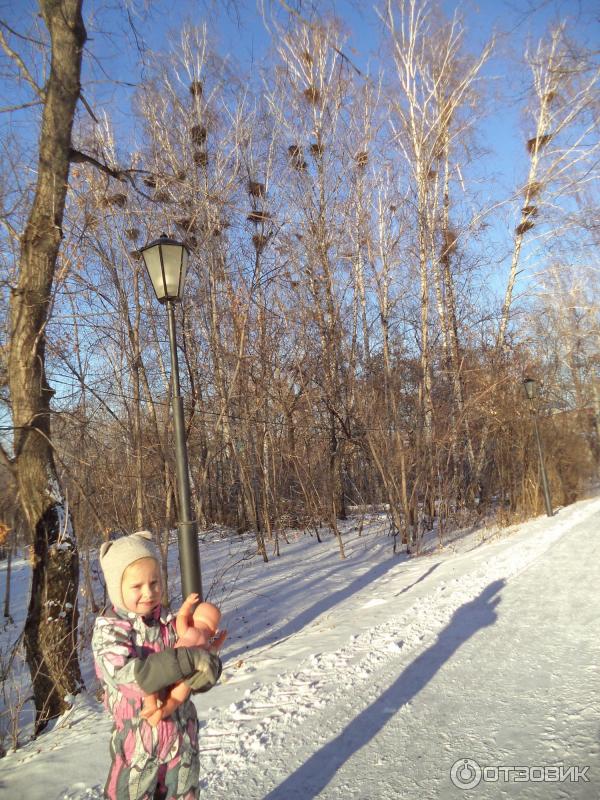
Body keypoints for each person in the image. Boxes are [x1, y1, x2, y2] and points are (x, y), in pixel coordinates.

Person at [92, 531, 222, 800]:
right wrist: (185, 660)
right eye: (137, 586)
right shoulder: (111, 630)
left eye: (155, 582)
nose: (148, 593)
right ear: (118, 588)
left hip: (181, 739)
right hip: (137, 745)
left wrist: (206, 667)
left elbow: (199, 668)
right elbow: (127, 675)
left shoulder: (170, 623)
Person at [141, 596, 227, 727]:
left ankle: (150, 704)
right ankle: (163, 712)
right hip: (187, 676)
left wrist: (186, 605)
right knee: (176, 699)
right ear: (214, 630)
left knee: (154, 680)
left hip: (173, 664)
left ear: (192, 618)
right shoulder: (206, 645)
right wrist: (220, 640)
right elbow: (214, 650)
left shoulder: (188, 631)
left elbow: (181, 617)